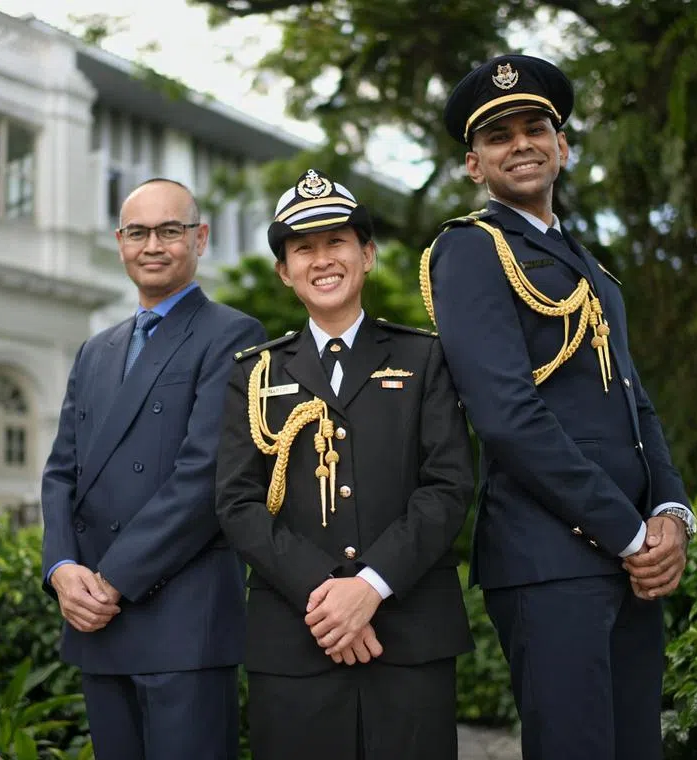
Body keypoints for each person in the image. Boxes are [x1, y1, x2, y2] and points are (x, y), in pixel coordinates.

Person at [421, 54, 697, 759]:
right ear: (474, 165)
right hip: (550, 561)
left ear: (562, 145)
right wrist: (629, 535)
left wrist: (670, 514)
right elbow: (508, 417)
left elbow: (638, 408)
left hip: (629, 559)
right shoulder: (471, 251)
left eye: (535, 127)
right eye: (498, 135)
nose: (521, 143)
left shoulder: (593, 270)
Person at [215, 169, 475, 760]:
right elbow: (236, 502)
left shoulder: (425, 358)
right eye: (303, 248)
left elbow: (448, 486)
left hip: (408, 636)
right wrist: (328, 592)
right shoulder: (254, 372)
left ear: (367, 255)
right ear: (284, 271)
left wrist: (372, 585)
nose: (322, 259)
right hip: (296, 641)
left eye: (337, 242)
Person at [40, 178, 267, 760]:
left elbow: (203, 475)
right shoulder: (96, 349)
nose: (153, 245)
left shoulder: (234, 334)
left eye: (171, 231)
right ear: (119, 242)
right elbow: (61, 472)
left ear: (200, 239)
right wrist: (64, 569)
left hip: (181, 618)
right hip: (95, 618)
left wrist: (110, 581)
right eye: (138, 232)